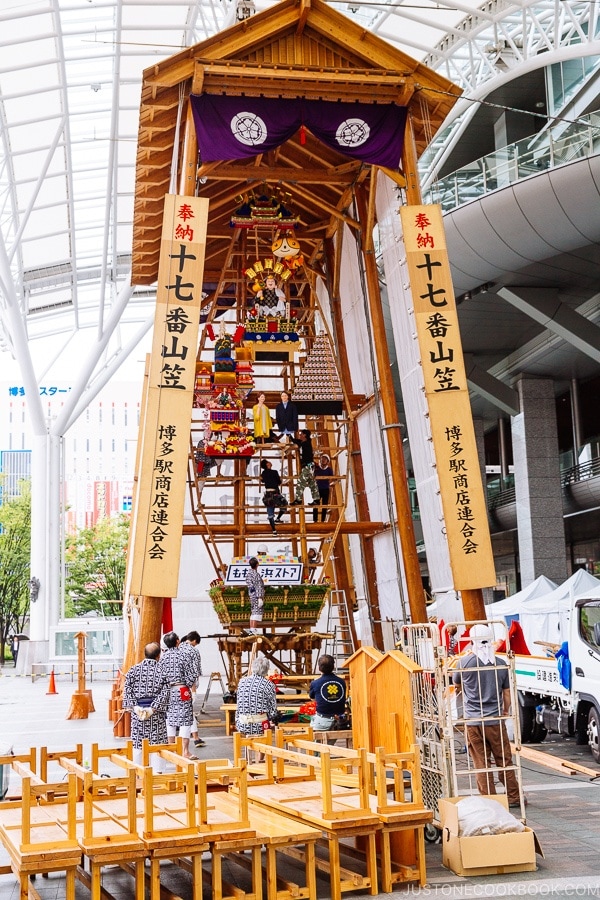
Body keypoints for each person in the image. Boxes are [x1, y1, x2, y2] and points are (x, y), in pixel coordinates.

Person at [452, 623, 521, 808]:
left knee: (481, 762)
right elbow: (506, 693)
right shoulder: (501, 664)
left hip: (473, 721)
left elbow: (457, 686)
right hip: (495, 720)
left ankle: (490, 800)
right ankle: (513, 797)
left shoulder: (463, 663)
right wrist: (505, 711)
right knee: (504, 759)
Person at [122, 642, 170, 771]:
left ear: (145, 654)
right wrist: (152, 709)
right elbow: (165, 692)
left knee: (138, 744)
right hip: (156, 713)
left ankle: (137, 773)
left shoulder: (133, 670)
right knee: (157, 744)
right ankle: (158, 774)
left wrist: (135, 708)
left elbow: (127, 690)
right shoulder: (162, 671)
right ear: (158, 656)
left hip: (138, 713)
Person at [157, 631, 199, 759]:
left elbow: (160, 676)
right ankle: (185, 751)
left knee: (170, 719)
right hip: (182, 689)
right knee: (185, 720)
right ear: (177, 641)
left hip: (169, 690)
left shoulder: (163, 658)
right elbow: (192, 675)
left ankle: (171, 747)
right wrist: (190, 685)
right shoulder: (183, 655)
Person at [235, 655, 278, 736]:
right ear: (266, 670)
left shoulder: (242, 682)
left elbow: (239, 705)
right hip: (260, 726)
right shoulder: (268, 685)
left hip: (241, 724)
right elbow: (273, 711)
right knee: (272, 720)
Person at [309, 654, 347, 731]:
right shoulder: (342, 682)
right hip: (341, 719)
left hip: (323, 719)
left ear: (319, 668)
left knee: (313, 731)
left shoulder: (315, 683)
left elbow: (312, 698)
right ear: (333, 667)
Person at [179, 631, 204, 749]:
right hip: (187, 687)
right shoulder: (193, 651)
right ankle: (194, 738)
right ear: (194, 641)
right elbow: (195, 672)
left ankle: (196, 737)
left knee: (185, 712)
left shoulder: (177, 648)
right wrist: (194, 691)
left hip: (175, 687)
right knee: (188, 711)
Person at [290, 430, 320, 508]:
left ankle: (298, 499)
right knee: (311, 483)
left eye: (301, 434)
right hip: (309, 465)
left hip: (308, 465)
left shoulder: (305, 444)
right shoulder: (305, 443)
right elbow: (297, 441)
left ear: (305, 435)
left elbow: (298, 443)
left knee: (301, 481)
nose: (300, 435)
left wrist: (290, 437)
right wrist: (290, 437)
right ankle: (316, 499)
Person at [260, 459, 286, 534]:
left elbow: (263, 480)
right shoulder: (274, 472)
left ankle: (274, 529)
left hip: (268, 494)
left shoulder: (264, 473)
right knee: (284, 504)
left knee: (270, 511)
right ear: (267, 464)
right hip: (275, 493)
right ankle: (278, 518)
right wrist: (279, 480)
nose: (270, 462)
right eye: (268, 462)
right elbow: (279, 482)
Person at [246, 557, 265, 633]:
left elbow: (250, 585)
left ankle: (251, 628)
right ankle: (253, 629)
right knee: (257, 612)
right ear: (257, 564)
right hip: (257, 595)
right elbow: (259, 586)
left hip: (252, 595)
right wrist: (260, 597)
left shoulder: (249, 574)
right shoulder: (256, 575)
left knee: (253, 612)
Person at [313, 453, 334, 522]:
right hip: (317, 489)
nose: (323, 460)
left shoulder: (329, 470)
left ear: (328, 461)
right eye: (322, 459)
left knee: (324, 505)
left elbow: (332, 478)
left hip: (325, 489)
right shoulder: (317, 468)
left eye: (325, 459)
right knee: (316, 504)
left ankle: (322, 520)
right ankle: (315, 520)